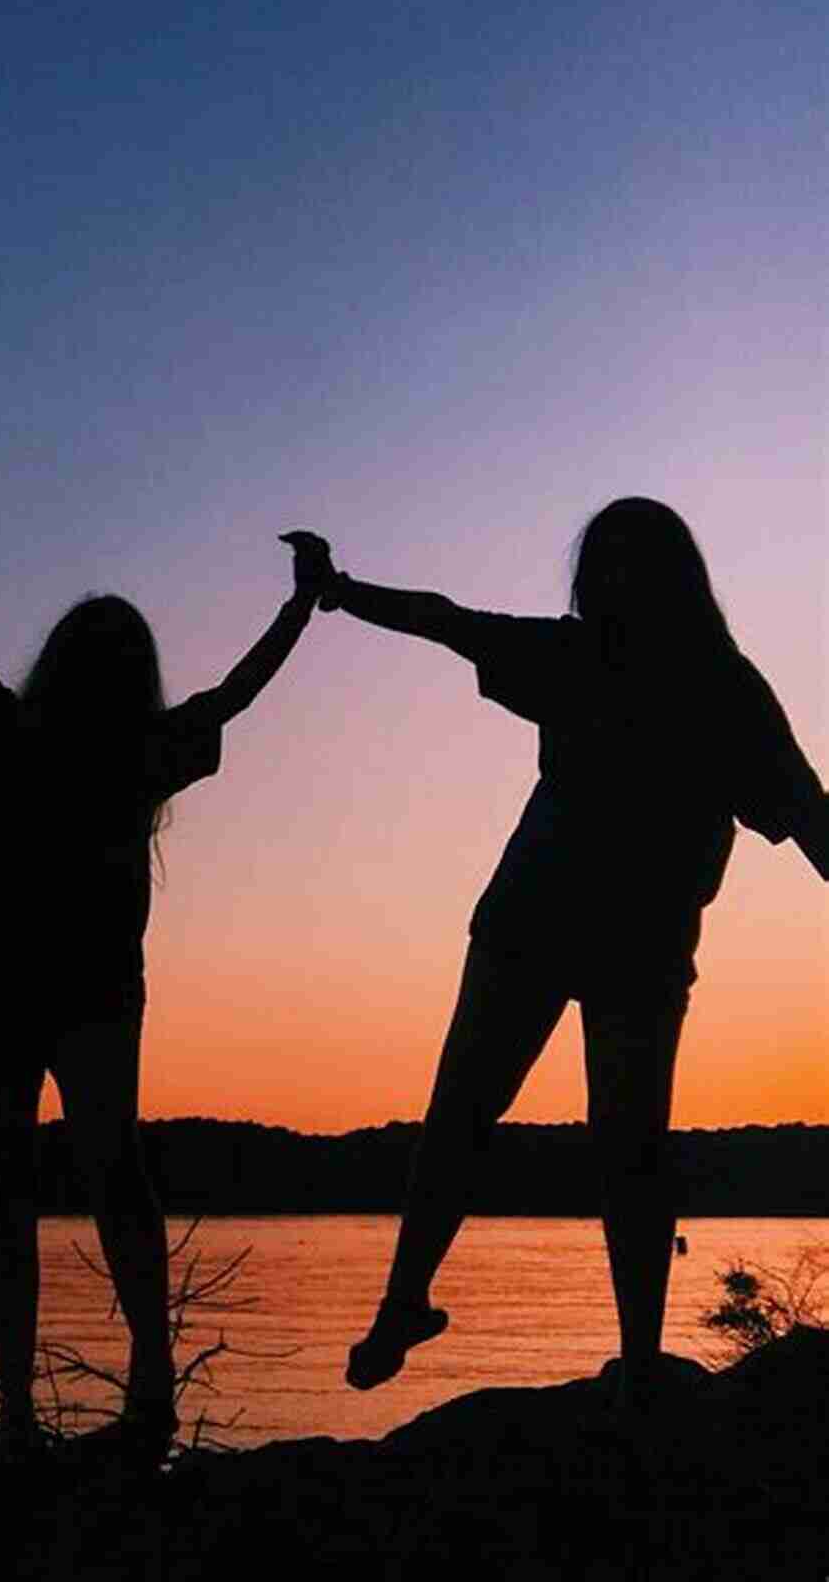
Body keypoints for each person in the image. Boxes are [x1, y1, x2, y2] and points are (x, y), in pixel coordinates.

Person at [297, 500, 827, 1408]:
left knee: (608, 1140)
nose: (609, 581)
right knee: (487, 1116)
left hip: (614, 937)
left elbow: (810, 816)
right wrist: (342, 592)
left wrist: (342, 592)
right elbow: (446, 619)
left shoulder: (696, 681)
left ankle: (626, 1354)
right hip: (548, 924)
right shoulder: (637, 666)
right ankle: (411, 1306)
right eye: (605, 565)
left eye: (624, 563)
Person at [0, 431, 322, 1464]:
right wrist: (300, 603)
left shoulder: (6, 726)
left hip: (5, 985)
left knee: (18, 1194)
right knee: (108, 1176)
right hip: (71, 988)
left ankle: (21, 1418)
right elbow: (238, 692)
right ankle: (138, 1395)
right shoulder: (136, 748)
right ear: (135, 674)